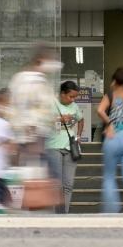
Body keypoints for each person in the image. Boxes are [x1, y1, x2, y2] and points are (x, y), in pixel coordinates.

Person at [9, 44, 62, 184]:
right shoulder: (36, 82)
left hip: (30, 142)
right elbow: (37, 115)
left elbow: (13, 112)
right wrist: (33, 138)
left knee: (35, 184)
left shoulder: (19, 79)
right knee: (43, 184)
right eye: (50, 59)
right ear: (39, 60)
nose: (54, 64)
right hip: (35, 142)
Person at [96, 67, 123, 213]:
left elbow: (100, 110)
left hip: (114, 137)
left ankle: (112, 211)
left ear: (114, 81)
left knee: (109, 177)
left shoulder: (111, 95)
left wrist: (109, 124)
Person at [47, 80, 85, 213]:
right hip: (53, 147)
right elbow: (43, 125)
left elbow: (80, 119)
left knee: (68, 184)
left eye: (75, 97)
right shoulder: (51, 104)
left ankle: (64, 213)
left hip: (70, 148)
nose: (73, 99)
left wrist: (79, 135)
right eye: (71, 96)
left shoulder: (73, 106)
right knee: (57, 184)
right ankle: (54, 213)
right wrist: (59, 120)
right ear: (62, 93)